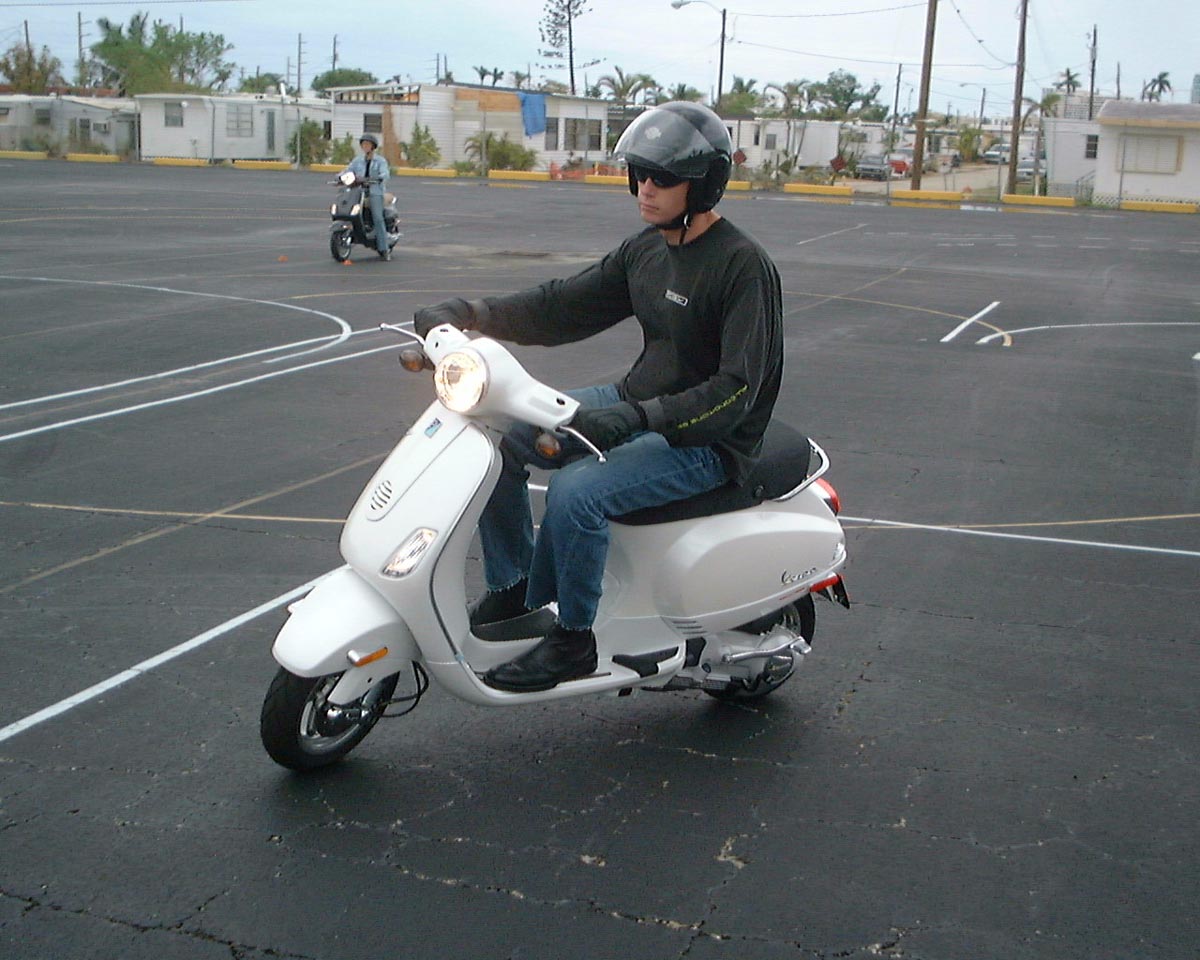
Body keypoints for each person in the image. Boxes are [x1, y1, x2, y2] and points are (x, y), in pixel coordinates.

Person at [413, 101, 783, 692]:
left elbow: (737, 391)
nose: (646, 188)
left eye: (663, 177)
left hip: (707, 440)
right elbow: (563, 306)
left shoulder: (742, 267)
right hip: (635, 403)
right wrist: (471, 312)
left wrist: (637, 418)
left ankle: (573, 640)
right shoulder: (648, 249)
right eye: (640, 173)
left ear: (705, 183)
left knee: (576, 491)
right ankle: (514, 588)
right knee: (502, 438)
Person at [345, 132, 392, 261]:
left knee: (377, 218)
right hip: (358, 191)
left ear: (373, 146)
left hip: (375, 192)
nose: (365, 146)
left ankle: (384, 249)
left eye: (368, 144)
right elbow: (348, 170)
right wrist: (340, 177)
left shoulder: (380, 161)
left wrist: (380, 177)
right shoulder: (358, 160)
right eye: (363, 144)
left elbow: (385, 173)